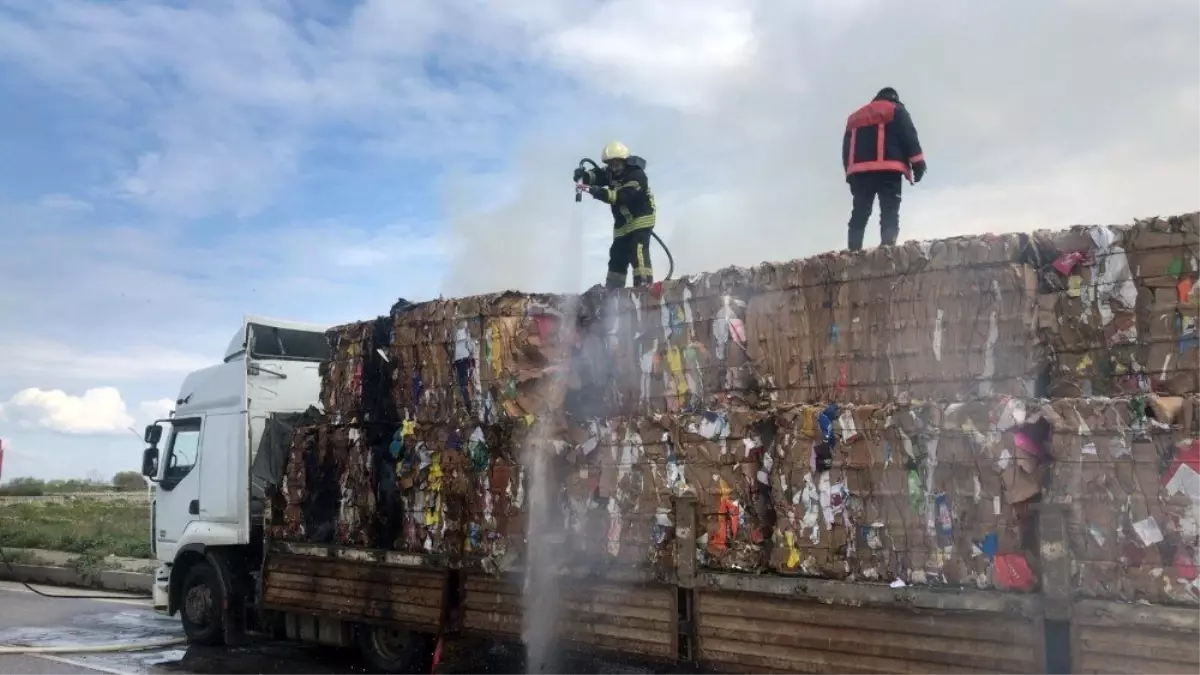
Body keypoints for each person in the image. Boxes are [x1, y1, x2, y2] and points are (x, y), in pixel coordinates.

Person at [841, 87, 927, 251]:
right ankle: (887, 248)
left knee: (860, 211)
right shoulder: (897, 110)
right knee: (889, 211)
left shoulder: (854, 117)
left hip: (861, 172)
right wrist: (918, 164)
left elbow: (846, 149)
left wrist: (849, 174)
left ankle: (853, 251)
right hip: (889, 170)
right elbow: (909, 136)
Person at [574, 141, 658, 288]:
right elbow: (598, 176)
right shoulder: (611, 173)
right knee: (617, 255)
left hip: (641, 219)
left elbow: (622, 196)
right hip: (622, 224)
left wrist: (596, 191)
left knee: (637, 250)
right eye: (611, 165)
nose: (614, 168)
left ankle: (644, 288)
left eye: (617, 164)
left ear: (625, 161)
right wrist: (583, 176)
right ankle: (612, 292)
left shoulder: (637, 175)